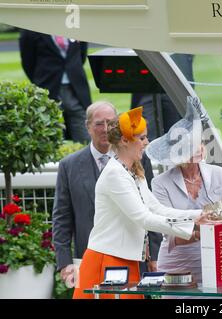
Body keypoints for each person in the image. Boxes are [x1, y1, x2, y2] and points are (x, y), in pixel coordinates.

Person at [72, 106, 211, 299]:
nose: (146, 143)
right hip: (106, 261)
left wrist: (199, 215)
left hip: (125, 260)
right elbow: (144, 218)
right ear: (124, 140)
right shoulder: (115, 173)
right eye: (142, 138)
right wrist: (192, 228)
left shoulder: (134, 170)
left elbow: (157, 208)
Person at [52, 101, 159, 287]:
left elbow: (150, 208)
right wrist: (64, 262)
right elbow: (62, 217)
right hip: (89, 259)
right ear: (88, 127)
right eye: (99, 123)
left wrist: (155, 255)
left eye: (110, 123)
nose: (105, 129)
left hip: (132, 258)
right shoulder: (69, 166)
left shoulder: (138, 160)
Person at [147, 97, 222, 289]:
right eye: (192, 145)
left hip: (215, 259)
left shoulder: (219, 174)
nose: (200, 148)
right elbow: (168, 231)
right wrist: (199, 233)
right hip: (177, 265)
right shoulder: (160, 183)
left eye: (200, 142)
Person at [19, 30, 91, 143]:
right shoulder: (31, 29)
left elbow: (81, 54)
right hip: (47, 87)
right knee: (51, 135)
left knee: (84, 135)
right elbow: (27, 61)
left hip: (76, 87)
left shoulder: (75, 24)